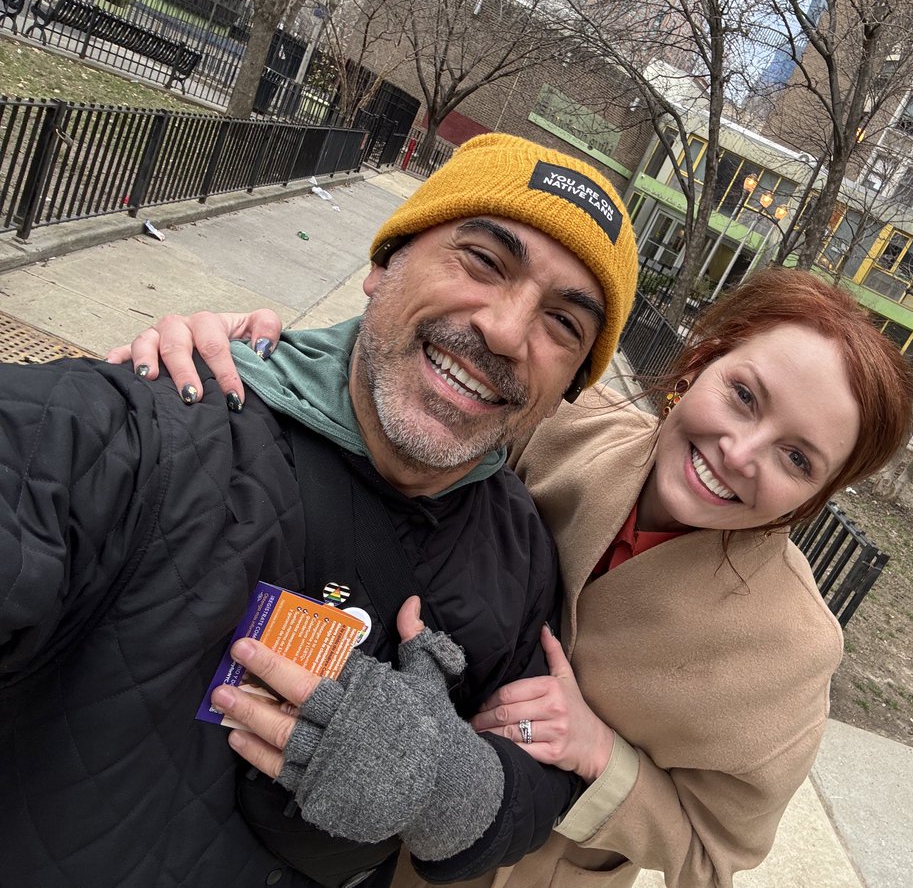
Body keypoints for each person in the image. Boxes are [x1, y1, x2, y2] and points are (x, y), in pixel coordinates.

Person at [128, 267, 913, 887]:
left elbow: (716, 854)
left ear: (818, 496)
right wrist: (262, 354)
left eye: (797, 458)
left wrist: (605, 758)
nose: (741, 454)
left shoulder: (792, 649)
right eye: (744, 397)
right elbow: (411, 391)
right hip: (351, 838)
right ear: (699, 367)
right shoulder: (568, 427)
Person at [0, 133, 639, 888]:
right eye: (484, 261)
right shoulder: (155, 424)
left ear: (567, 390)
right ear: (382, 265)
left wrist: (445, 787)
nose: (505, 329)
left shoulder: (522, 553)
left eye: (564, 324)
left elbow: (540, 778)